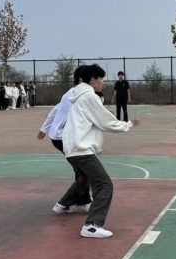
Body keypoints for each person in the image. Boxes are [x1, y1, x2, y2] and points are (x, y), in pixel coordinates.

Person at [62, 64, 140, 238]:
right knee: (104, 185)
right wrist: (127, 124)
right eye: (100, 79)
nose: (103, 83)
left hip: (73, 149)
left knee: (85, 180)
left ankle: (63, 204)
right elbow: (106, 121)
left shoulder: (78, 96)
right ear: (92, 80)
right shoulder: (89, 96)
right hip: (81, 149)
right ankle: (92, 225)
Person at [38, 66, 92, 213]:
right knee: (86, 171)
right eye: (94, 78)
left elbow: (55, 109)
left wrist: (44, 128)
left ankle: (83, 201)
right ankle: (64, 204)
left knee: (81, 170)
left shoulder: (73, 93)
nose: (98, 81)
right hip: (63, 137)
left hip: (62, 136)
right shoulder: (75, 95)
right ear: (81, 80)